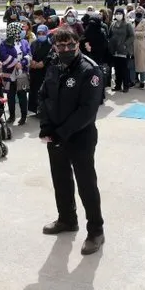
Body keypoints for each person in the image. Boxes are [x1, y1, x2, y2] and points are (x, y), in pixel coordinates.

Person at [37, 28, 104, 256]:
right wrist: (46, 127)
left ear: (78, 43)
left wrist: (60, 133)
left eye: (70, 45)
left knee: (86, 184)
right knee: (61, 179)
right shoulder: (54, 65)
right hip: (55, 135)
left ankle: (96, 231)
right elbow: (43, 95)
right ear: (54, 46)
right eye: (61, 45)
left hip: (80, 136)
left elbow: (88, 110)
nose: (65, 49)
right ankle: (67, 219)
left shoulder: (89, 70)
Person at [0, 22, 32, 125]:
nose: (23, 31)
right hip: (9, 74)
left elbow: (29, 54)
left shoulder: (24, 42)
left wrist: (22, 63)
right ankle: (12, 116)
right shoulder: (4, 43)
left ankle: (23, 116)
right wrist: (15, 62)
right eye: (20, 29)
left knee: (22, 95)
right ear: (14, 31)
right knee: (11, 96)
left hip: (22, 73)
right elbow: (3, 56)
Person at [107, 8, 134, 92]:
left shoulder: (127, 25)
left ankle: (126, 86)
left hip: (124, 50)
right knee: (117, 69)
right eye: (117, 13)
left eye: (120, 13)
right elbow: (110, 35)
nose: (118, 15)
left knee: (124, 69)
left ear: (123, 15)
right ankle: (118, 85)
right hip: (115, 51)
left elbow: (132, 36)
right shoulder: (113, 24)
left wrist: (125, 44)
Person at [28, 25, 52, 113]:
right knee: (34, 90)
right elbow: (29, 54)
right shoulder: (34, 43)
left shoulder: (50, 45)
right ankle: (34, 109)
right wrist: (31, 61)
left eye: (43, 33)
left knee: (43, 92)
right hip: (34, 72)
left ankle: (42, 110)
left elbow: (48, 59)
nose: (41, 35)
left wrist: (39, 64)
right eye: (39, 33)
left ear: (47, 33)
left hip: (44, 72)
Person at [132, 7, 145, 89]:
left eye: (140, 11)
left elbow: (144, 33)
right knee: (133, 62)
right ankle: (134, 80)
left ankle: (142, 81)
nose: (138, 12)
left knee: (141, 62)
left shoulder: (144, 21)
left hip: (141, 43)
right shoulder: (132, 21)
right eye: (137, 11)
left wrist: (135, 33)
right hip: (132, 44)